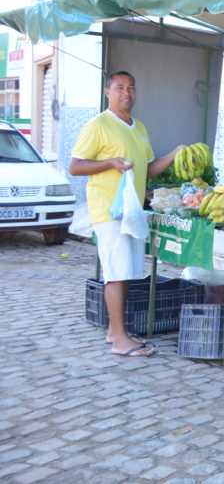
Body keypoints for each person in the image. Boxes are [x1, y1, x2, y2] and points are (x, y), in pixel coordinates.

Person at [69, 71, 183, 357]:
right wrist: (110, 163)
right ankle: (120, 340)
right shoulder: (98, 125)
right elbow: (75, 166)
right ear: (108, 92)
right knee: (115, 274)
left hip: (132, 211)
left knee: (128, 272)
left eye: (131, 87)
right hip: (109, 210)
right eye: (119, 88)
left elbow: (148, 169)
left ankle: (115, 331)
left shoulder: (138, 127)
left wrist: (173, 155)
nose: (126, 93)